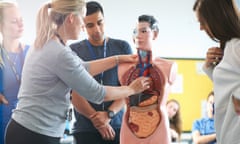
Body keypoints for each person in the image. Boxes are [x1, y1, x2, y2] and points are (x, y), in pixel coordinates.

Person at [4, 0, 150, 144]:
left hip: (30, 130)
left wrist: (118, 59)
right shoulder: (58, 52)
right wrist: (131, 89)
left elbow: (83, 68)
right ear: (71, 18)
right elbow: (97, 93)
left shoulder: (52, 43)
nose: (82, 26)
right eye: (83, 19)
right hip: (34, 134)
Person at [70, 1, 132, 144]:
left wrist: (108, 115)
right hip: (85, 128)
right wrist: (96, 119)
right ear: (82, 26)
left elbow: (128, 89)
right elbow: (73, 93)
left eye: (100, 23)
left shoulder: (122, 47)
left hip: (116, 125)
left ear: (105, 20)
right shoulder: (73, 50)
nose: (97, 29)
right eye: (90, 25)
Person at [118, 14, 177, 144]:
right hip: (130, 126)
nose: (138, 36)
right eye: (136, 31)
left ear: (155, 34)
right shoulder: (123, 68)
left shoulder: (168, 66)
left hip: (158, 128)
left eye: (144, 31)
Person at [193, 0, 240, 143]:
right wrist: (209, 67)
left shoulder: (237, 46)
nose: (201, 28)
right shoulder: (230, 46)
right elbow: (228, 86)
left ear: (217, 19)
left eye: (203, 21)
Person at [0, 1, 30, 143]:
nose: (20, 24)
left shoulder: (33, 53)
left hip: (29, 124)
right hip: (3, 124)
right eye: (14, 21)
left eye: (21, 20)